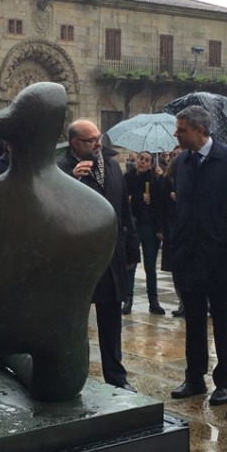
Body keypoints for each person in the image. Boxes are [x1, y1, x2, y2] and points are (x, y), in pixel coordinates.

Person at [57, 119, 138, 391]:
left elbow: (125, 213)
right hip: (78, 259)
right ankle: (71, 374)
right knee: (74, 321)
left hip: (111, 256)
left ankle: (116, 377)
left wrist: (131, 249)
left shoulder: (113, 167)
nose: (97, 144)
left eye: (98, 138)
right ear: (75, 143)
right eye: (91, 140)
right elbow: (51, 208)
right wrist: (71, 180)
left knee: (111, 319)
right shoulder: (60, 170)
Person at [168, 106, 227, 407]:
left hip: (219, 254)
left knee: (222, 318)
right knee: (193, 319)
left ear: (200, 130)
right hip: (189, 253)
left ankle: (224, 382)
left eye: (181, 129)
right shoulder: (181, 162)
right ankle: (194, 377)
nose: (176, 134)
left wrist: (225, 240)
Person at [123, 151, 164, 315]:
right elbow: (125, 198)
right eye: (141, 159)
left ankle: (153, 300)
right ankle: (127, 299)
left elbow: (159, 204)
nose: (143, 162)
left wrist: (160, 228)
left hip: (149, 225)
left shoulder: (154, 180)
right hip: (132, 225)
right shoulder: (128, 177)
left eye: (147, 160)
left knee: (150, 265)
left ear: (150, 164)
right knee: (131, 264)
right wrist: (140, 198)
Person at [157, 145, 185, 317]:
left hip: (188, 228)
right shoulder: (167, 178)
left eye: (180, 154)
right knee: (176, 268)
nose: (176, 157)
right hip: (171, 227)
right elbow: (160, 205)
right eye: (174, 155)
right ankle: (182, 301)